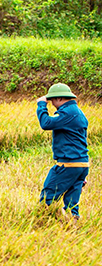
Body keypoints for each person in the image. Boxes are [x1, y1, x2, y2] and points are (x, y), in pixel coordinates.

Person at [36, 83, 89, 219]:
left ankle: (43, 222)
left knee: (48, 195)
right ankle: (74, 226)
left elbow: (46, 123)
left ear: (59, 98)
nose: (52, 104)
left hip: (68, 164)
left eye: (52, 100)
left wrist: (42, 105)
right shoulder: (78, 113)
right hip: (81, 164)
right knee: (72, 202)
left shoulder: (68, 113)